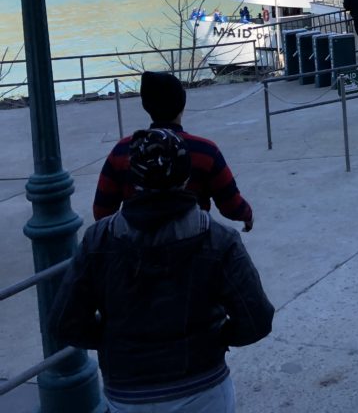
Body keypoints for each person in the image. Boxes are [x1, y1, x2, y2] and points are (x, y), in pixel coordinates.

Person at [50, 127, 274, 412]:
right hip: (203, 387)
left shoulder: (98, 240)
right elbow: (258, 318)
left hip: (127, 392)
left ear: (133, 177)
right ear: (185, 176)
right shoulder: (218, 239)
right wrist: (216, 338)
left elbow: (62, 322)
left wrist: (112, 342)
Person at [93, 71, 254, 231]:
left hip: (138, 247)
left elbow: (102, 211)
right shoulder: (206, 152)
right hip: (194, 243)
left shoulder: (123, 150)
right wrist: (247, 216)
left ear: (146, 106)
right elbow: (230, 205)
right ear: (182, 104)